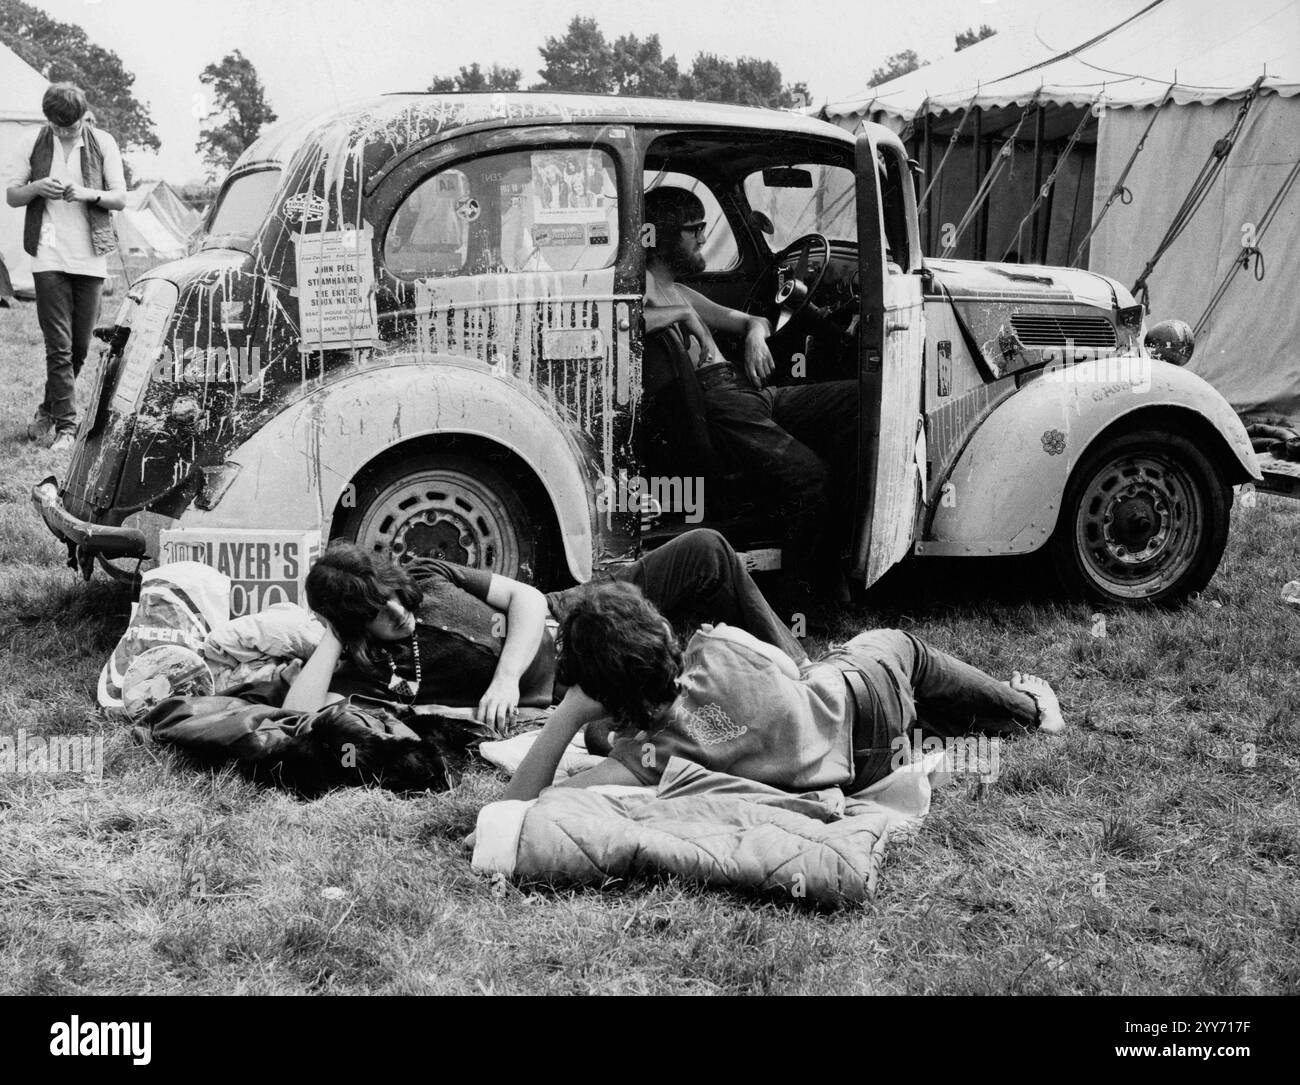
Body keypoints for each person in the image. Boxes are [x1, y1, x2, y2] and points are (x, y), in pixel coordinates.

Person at [502, 580, 1065, 801]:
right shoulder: (716, 644)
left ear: (599, 690)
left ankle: (961, 721)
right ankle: (1031, 711)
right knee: (897, 646)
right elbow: (791, 670)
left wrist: (570, 716)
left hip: (858, 769)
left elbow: (515, 808)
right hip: (863, 699)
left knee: (883, 688)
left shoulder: (648, 760)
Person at [283, 528, 807, 728]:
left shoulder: (427, 573)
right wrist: (333, 633)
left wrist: (505, 678)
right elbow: (293, 716)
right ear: (354, 627)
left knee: (707, 549)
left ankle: (804, 672)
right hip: (572, 673)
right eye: (375, 613)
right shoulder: (370, 669)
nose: (396, 611)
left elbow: (526, 598)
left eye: (389, 595)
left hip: (578, 609)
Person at [642, 186, 857, 591]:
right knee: (810, 478)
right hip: (721, 403)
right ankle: (801, 596)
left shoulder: (679, 290)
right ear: (665, 235)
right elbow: (625, 320)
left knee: (856, 400)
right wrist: (683, 317)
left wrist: (755, 337)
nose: (704, 238)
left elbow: (752, 321)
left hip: (750, 392)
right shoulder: (643, 287)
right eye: (694, 229)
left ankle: (844, 555)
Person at [5, 83, 126, 453]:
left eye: (71, 127)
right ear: (48, 120)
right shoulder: (31, 141)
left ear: (83, 117)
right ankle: (67, 428)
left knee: (79, 346)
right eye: (58, 128)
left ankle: (47, 408)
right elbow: (12, 195)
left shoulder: (103, 142)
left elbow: (119, 197)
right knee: (58, 345)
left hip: (90, 254)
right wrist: (38, 186)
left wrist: (89, 193)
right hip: (48, 252)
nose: (65, 133)